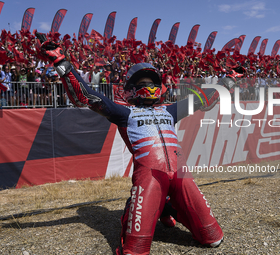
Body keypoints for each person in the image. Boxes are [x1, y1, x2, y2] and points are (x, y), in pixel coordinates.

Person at [39, 38, 239, 255]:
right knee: (135, 251)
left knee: (213, 238)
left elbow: (203, 100)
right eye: (142, 84)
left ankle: (166, 205)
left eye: (151, 83)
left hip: (182, 176)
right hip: (149, 179)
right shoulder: (124, 113)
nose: (148, 87)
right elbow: (86, 96)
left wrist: (229, 80)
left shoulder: (169, 110)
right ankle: (153, 206)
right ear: (131, 88)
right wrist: (62, 63)